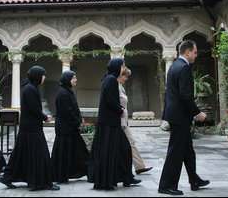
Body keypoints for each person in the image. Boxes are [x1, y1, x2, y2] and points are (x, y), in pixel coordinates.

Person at [158, 40, 209, 195]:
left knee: (187, 151)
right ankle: (166, 186)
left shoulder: (174, 66)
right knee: (176, 152)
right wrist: (198, 113)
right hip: (180, 116)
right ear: (188, 52)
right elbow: (186, 96)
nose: (196, 55)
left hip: (176, 115)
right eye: (195, 52)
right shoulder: (184, 68)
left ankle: (194, 180)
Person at [0, 66, 60, 191]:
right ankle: (40, 182)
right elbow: (34, 109)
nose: (44, 77)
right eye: (43, 75)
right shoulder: (31, 89)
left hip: (28, 127)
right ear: (37, 76)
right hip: (32, 129)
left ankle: (8, 177)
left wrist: (43, 117)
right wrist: (45, 117)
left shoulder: (30, 88)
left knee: (21, 154)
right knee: (40, 154)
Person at [88, 58, 141, 190]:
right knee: (121, 150)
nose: (123, 69)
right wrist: (120, 109)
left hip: (109, 123)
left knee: (122, 151)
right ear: (117, 67)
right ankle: (113, 180)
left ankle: (126, 178)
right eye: (122, 66)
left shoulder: (108, 79)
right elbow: (110, 99)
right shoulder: (111, 80)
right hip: (110, 123)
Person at [51, 70, 89, 183]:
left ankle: (81, 171)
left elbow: (73, 109)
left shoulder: (67, 91)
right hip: (65, 129)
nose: (76, 79)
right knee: (65, 153)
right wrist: (78, 122)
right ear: (68, 80)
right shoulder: (63, 93)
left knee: (76, 152)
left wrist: (79, 120)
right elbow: (67, 112)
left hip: (69, 129)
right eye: (73, 78)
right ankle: (61, 175)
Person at [118, 67, 153, 175]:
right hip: (119, 121)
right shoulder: (115, 86)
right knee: (123, 145)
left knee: (131, 143)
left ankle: (139, 166)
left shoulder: (120, 86)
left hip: (124, 121)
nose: (127, 78)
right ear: (120, 75)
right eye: (126, 76)